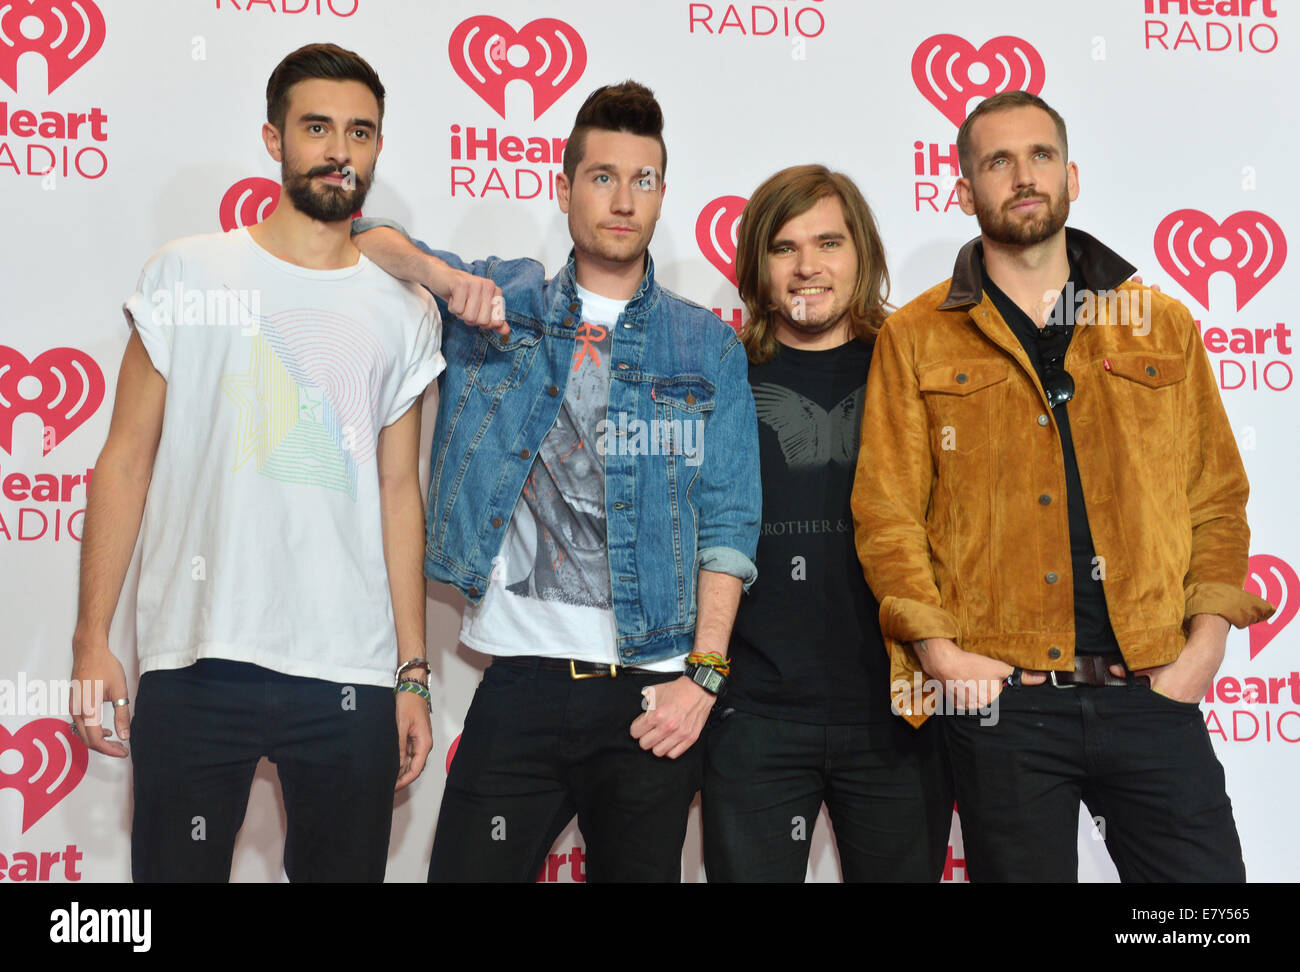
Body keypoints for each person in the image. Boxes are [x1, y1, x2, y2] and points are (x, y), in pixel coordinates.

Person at [851, 90, 1274, 882]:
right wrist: (944, 658)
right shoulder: (917, 335)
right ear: (964, 184)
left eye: (1041, 155)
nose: (1023, 176)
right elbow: (888, 513)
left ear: (1071, 174)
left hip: (1151, 686)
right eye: (998, 160)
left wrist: (1204, 650)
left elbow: (1216, 498)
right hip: (1006, 701)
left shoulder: (1158, 321)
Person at [351, 81, 761, 882]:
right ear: (565, 186)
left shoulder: (704, 344)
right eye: (602, 176)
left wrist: (704, 677)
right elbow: (362, 238)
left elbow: (729, 521)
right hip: (521, 686)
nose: (622, 199)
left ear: (662, 195)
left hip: (652, 696)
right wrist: (444, 278)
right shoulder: (507, 304)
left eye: (643, 180)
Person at [69, 43, 451, 882]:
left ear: (379, 147)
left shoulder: (405, 310)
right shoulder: (187, 273)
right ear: (274, 139)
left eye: (360, 131)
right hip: (196, 658)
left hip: (348, 671)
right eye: (317, 127)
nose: (339, 151)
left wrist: (412, 673)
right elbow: (125, 460)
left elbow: (398, 492)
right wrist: (92, 639)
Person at [702, 165, 951, 882]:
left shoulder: (914, 370)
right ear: (756, 265)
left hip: (901, 712)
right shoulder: (722, 376)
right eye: (784, 247)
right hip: (752, 715)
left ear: (862, 254)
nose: (808, 266)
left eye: (828, 243)